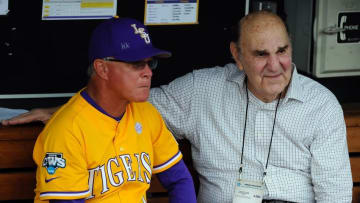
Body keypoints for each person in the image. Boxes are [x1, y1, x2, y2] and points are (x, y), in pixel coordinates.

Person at [2, 11, 353, 203]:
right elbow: (108, 103)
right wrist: (61, 111)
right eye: (261, 54)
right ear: (238, 57)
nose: (275, 65)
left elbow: (334, 196)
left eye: (283, 51)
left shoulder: (320, 106)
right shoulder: (203, 90)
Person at [30, 17, 196, 203]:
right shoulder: (67, 129)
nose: (148, 72)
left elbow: (180, 180)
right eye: (136, 64)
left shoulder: (146, 114)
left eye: (151, 63)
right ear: (102, 69)